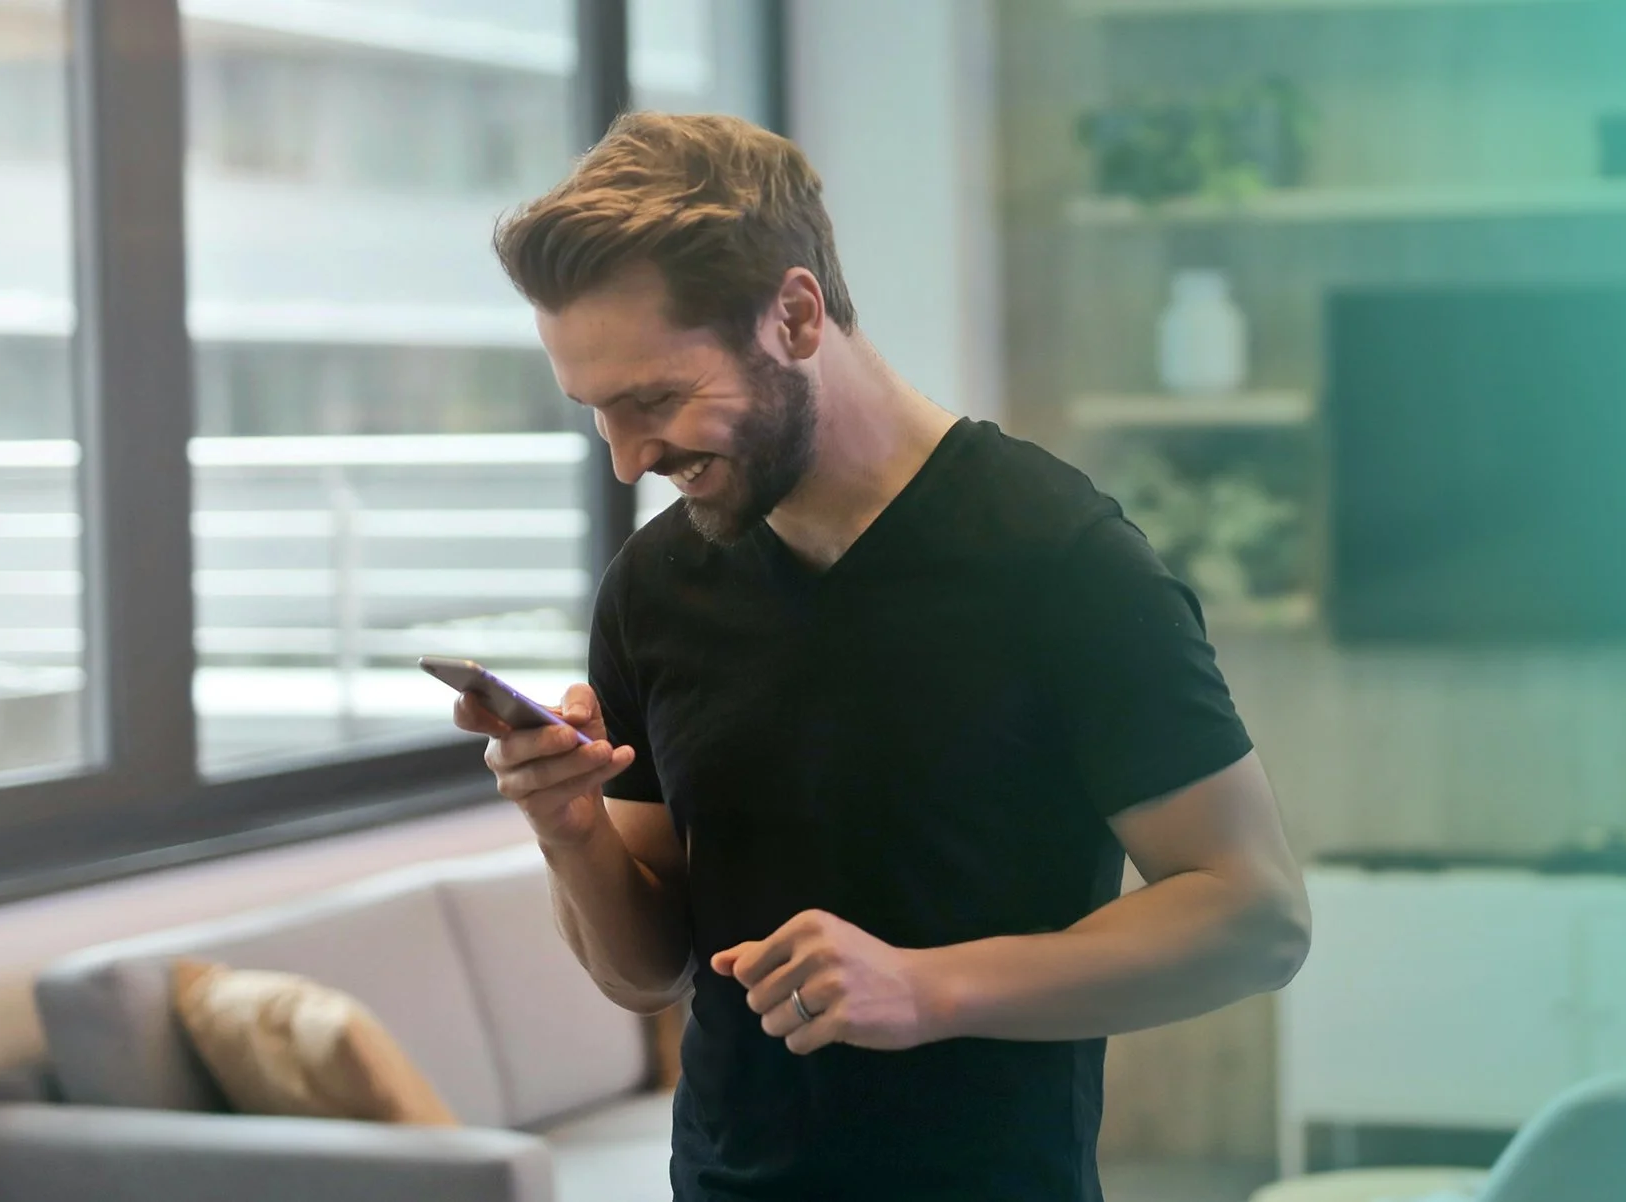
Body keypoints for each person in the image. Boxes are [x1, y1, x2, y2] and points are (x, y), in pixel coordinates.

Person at [456, 111, 1311, 1202]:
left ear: (796, 314)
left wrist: (928, 989)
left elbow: (1253, 915)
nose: (629, 457)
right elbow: (647, 970)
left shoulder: (1059, 557)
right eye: (596, 415)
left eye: (656, 400)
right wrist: (566, 825)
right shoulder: (654, 586)